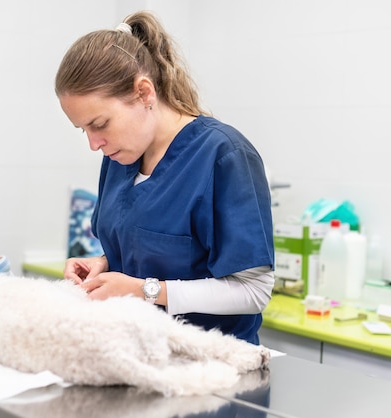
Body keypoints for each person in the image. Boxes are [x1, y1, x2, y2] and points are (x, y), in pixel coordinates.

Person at [56, 10, 274, 345]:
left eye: (99, 124)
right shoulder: (121, 157)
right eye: (83, 129)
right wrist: (101, 264)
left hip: (211, 362)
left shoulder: (223, 155)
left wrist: (146, 291)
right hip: (138, 352)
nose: (93, 143)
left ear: (144, 93)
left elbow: (254, 290)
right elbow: (142, 249)